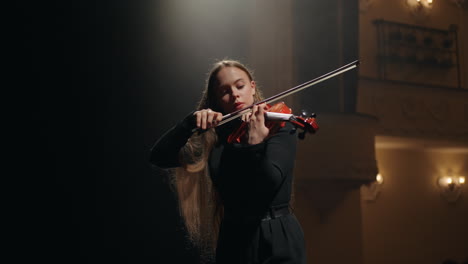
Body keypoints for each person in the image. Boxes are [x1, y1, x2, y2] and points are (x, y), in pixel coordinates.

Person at [150, 60, 306, 264]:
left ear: (252, 87)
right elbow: (159, 156)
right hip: (234, 239)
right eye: (224, 91)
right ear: (216, 100)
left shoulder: (279, 126)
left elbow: (269, 183)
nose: (234, 94)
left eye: (240, 86)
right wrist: (188, 124)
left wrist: (255, 145)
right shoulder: (213, 138)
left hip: (276, 236)